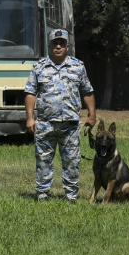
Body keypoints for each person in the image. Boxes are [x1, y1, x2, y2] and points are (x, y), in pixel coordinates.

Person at [24, 29, 96, 202]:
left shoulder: (78, 66)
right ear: (49, 46)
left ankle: (71, 196)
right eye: (55, 43)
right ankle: (42, 195)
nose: (58, 47)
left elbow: (87, 91)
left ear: (67, 46)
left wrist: (92, 114)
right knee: (43, 162)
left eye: (62, 43)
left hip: (70, 125)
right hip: (45, 124)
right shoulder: (39, 67)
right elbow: (30, 93)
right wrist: (29, 117)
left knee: (72, 162)